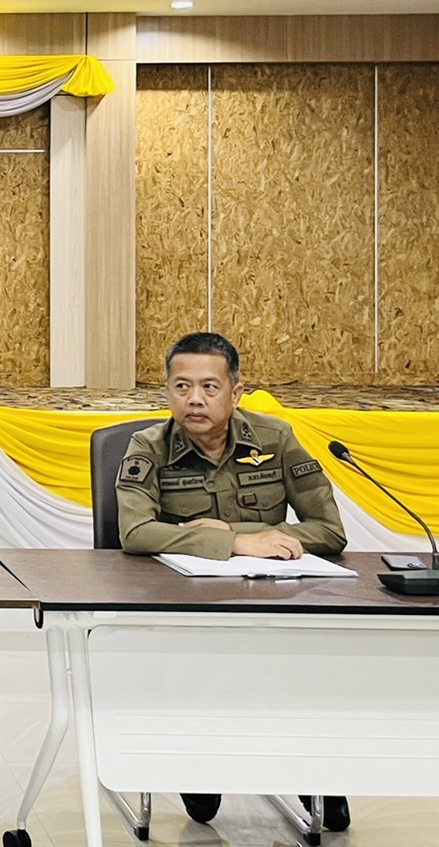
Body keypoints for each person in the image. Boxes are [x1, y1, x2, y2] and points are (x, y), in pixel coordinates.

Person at [117, 331, 350, 832]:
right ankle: (201, 757)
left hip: (272, 602)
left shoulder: (276, 439)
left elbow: (329, 531)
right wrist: (240, 541)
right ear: (167, 390)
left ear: (236, 392)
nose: (194, 399)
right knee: (197, 666)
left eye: (209, 386)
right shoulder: (148, 447)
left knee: (318, 664)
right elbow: (135, 532)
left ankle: (317, 770)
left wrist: (235, 534)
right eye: (182, 386)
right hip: (187, 607)